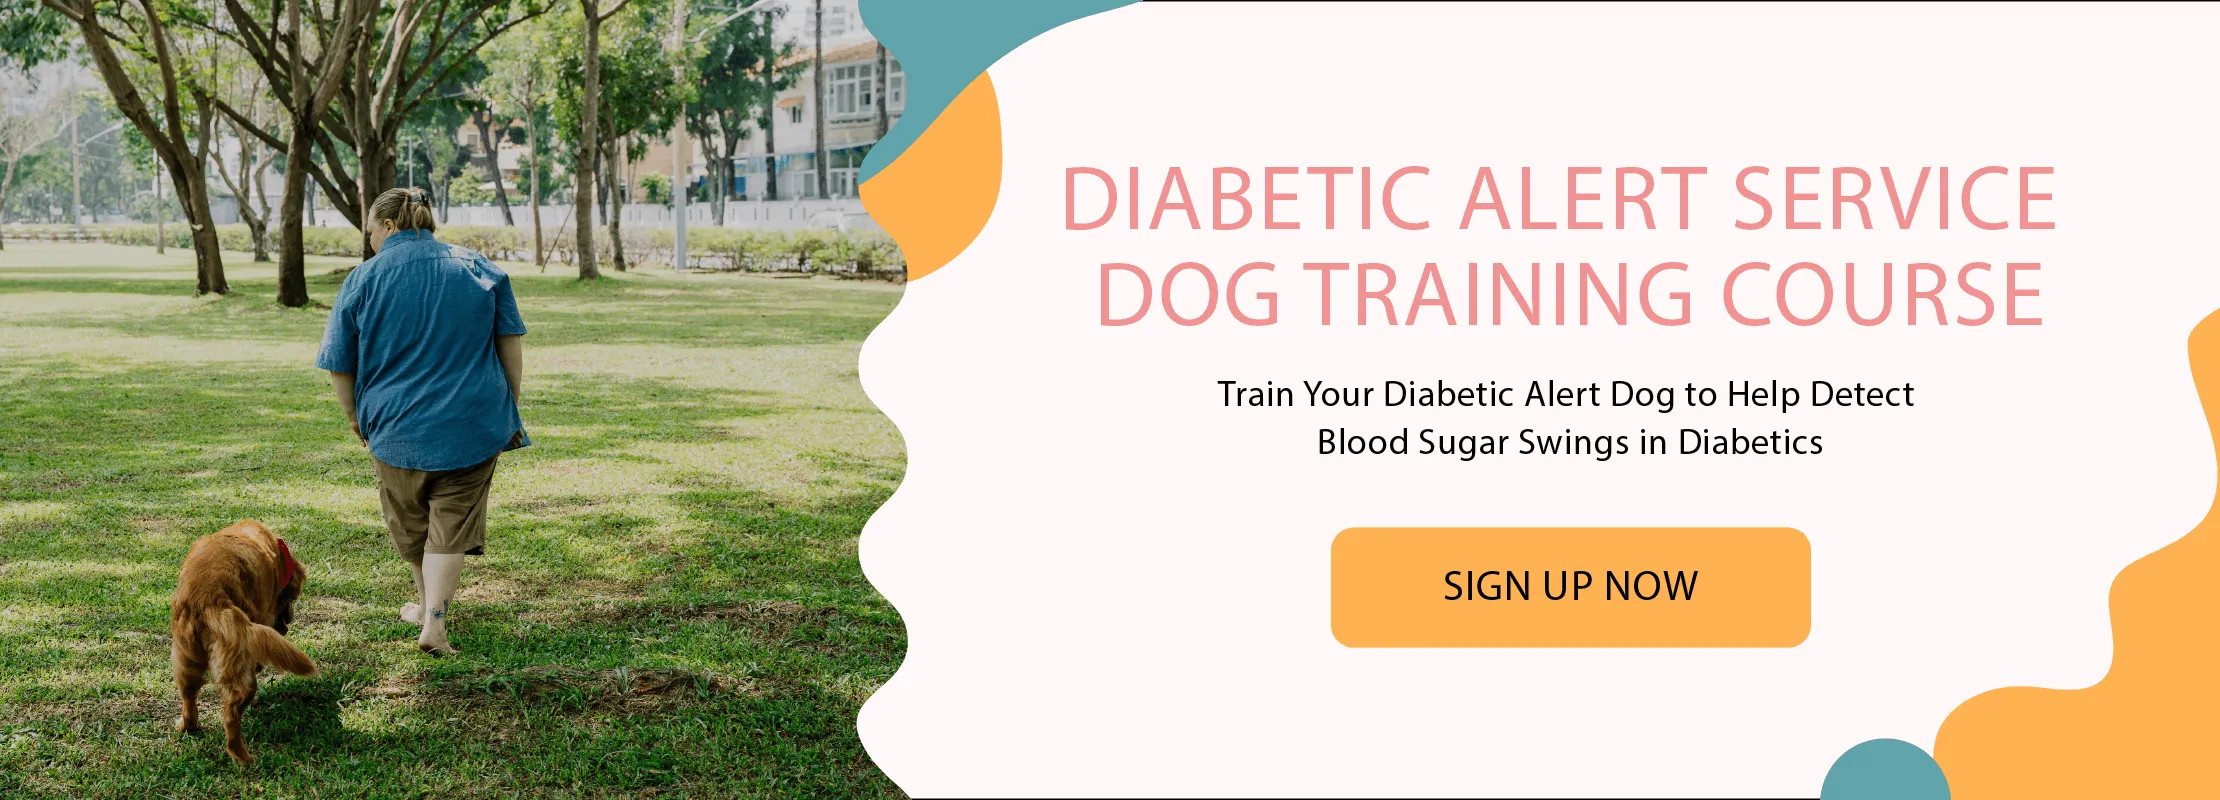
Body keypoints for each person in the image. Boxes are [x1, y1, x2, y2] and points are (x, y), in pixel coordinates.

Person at [316, 186, 529, 656]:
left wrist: (355, 418)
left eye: (369, 230)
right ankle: (432, 619)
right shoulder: (478, 267)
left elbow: (339, 362)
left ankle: (425, 606)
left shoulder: (362, 279)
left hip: (394, 426)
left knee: (411, 523)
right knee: (449, 523)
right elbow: (509, 343)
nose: (369, 239)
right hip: (472, 421)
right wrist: (507, 402)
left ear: (388, 226)